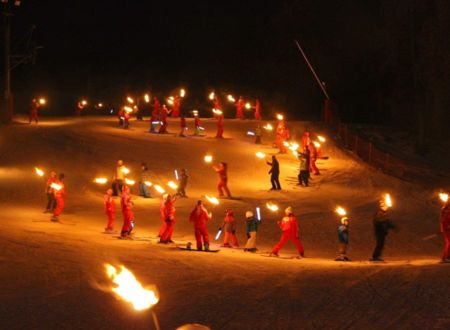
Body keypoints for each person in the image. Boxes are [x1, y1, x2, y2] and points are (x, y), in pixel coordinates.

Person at [439, 197, 450, 262]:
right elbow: (443, 220)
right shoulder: (445, 209)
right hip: (446, 228)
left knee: (448, 242)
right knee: (449, 242)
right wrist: (446, 226)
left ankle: (446, 257)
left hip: (447, 228)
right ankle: (446, 258)